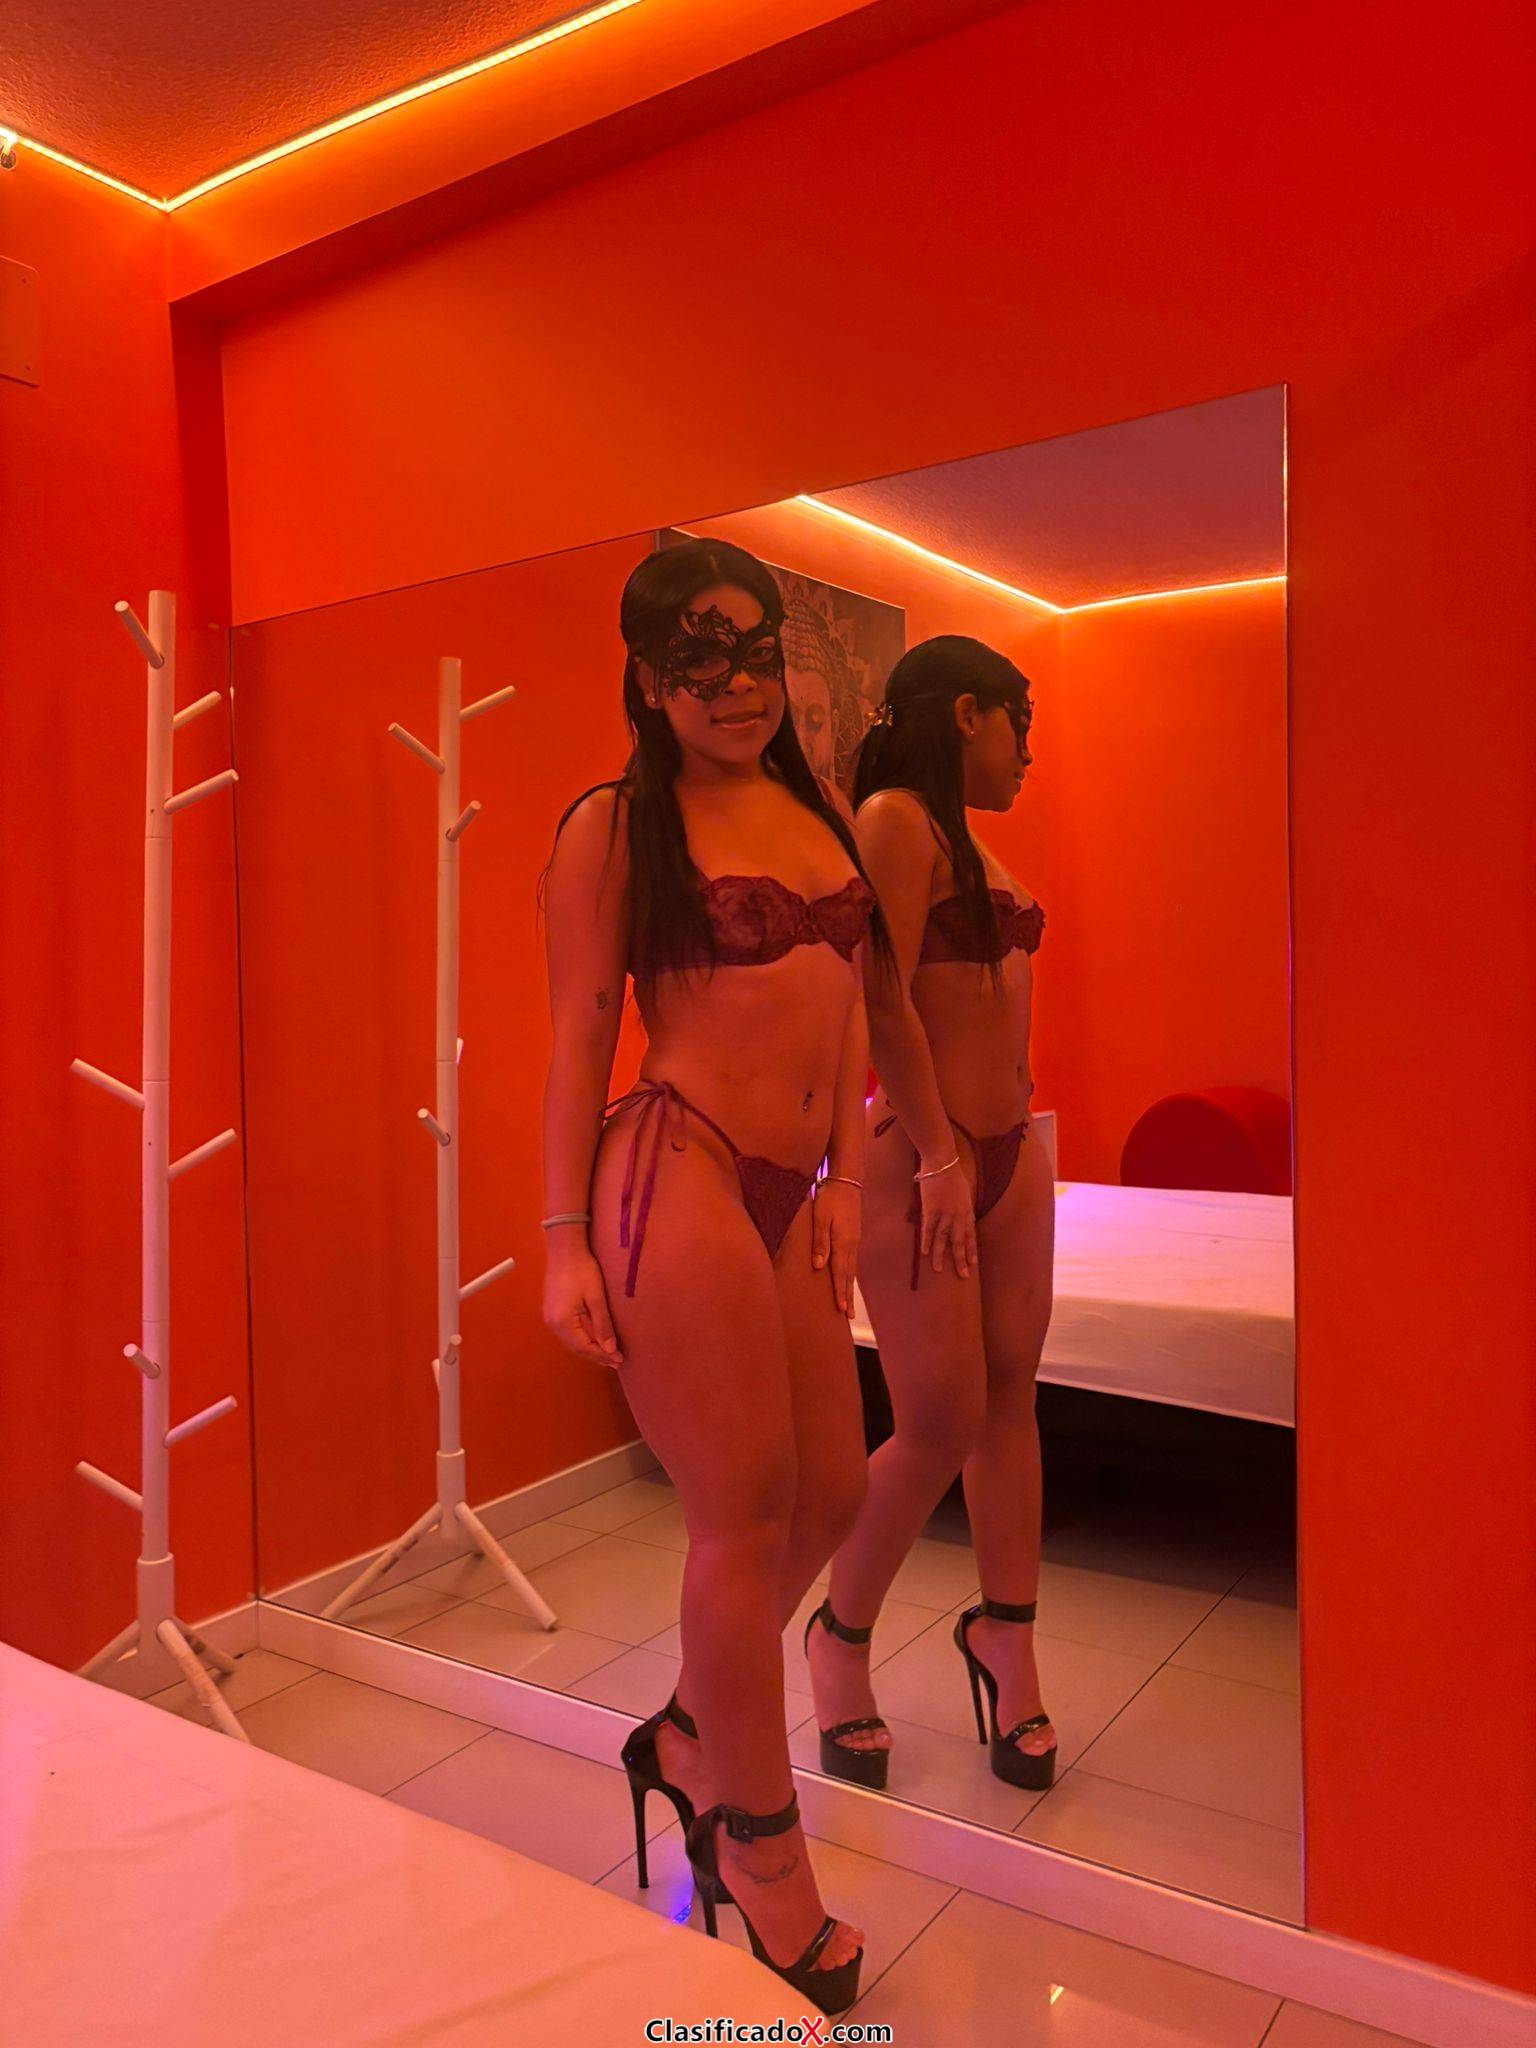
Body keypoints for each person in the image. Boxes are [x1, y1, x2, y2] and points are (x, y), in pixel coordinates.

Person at [539, 538, 888, 2010]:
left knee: (835, 1488)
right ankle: (757, 1841)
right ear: (646, 675)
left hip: (793, 1188)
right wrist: (559, 1235)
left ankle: (690, 1731)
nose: (737, 684)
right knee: (740, 1520)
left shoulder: (814, 810)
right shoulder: (619, 826)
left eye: (757, 653)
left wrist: (851, 1179)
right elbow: (578, 1030)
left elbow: (850, 1003)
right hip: (674, 1164)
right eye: (702, 656)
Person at [803, 636, 1058, 1795]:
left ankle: (1008, 1635)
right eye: (1020, 722)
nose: (1027, 752)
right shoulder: (896, 818)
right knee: (940, 1418)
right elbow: (880, 992)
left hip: (1008, 1154)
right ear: (966, 712)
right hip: (923, 1156)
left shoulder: (975, 842)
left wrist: (990, 1154)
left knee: (1011, 1401)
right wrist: (944, 1153)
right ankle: (839, 1632)